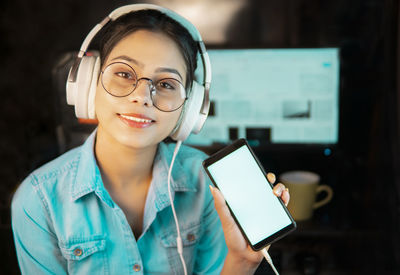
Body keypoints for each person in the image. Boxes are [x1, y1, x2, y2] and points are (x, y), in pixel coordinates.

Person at [11, 4, 290, 275]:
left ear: (190, 107)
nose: (142, 97)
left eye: (166, 84)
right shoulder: (38, 200)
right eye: (123, 73)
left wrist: (241, 261)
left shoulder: (207, 184)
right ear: (88, 84)